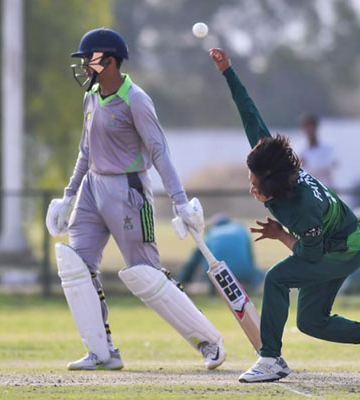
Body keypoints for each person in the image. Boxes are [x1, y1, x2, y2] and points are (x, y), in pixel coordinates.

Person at [209, 48, 360, 383]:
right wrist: (227, 70)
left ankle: (270, 358)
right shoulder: (270, 159)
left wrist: (280, 235)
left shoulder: (302, 209)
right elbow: (248, 111)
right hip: (336, 239)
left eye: (255, 184)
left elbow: (310, 255)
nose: (250, 186)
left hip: (344, 248)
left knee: (276, 279)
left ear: (273, 187)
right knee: (312, 322)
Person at [45, 28, 225, 372]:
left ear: (108, 60)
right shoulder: (91, 97)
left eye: (88, 58)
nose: (83, 65)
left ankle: (208, 341)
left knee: (147, 274)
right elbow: (85, 152)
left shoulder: (136, 100)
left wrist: (180, 201)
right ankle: (103, 352)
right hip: (91, 191)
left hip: (128, 192)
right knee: (78, 269)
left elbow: (159, 152)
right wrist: (69, 195)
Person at [178, 214, 263, 293]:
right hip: (243, 273)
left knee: (209, 265)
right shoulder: (240, 229)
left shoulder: (211, 233)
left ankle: (213, 292)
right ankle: (250, 289)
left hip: (218, 277)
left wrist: (182, 281)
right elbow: (250, 256)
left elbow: (194, 261)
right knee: (259, 273)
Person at [298, 113, 337, 187]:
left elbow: (328, 167)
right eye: (307, 128)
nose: (310, 131)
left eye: (312, 127)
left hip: (326, 188)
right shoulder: (299, 149)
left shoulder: (328, 148)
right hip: (308, 189)